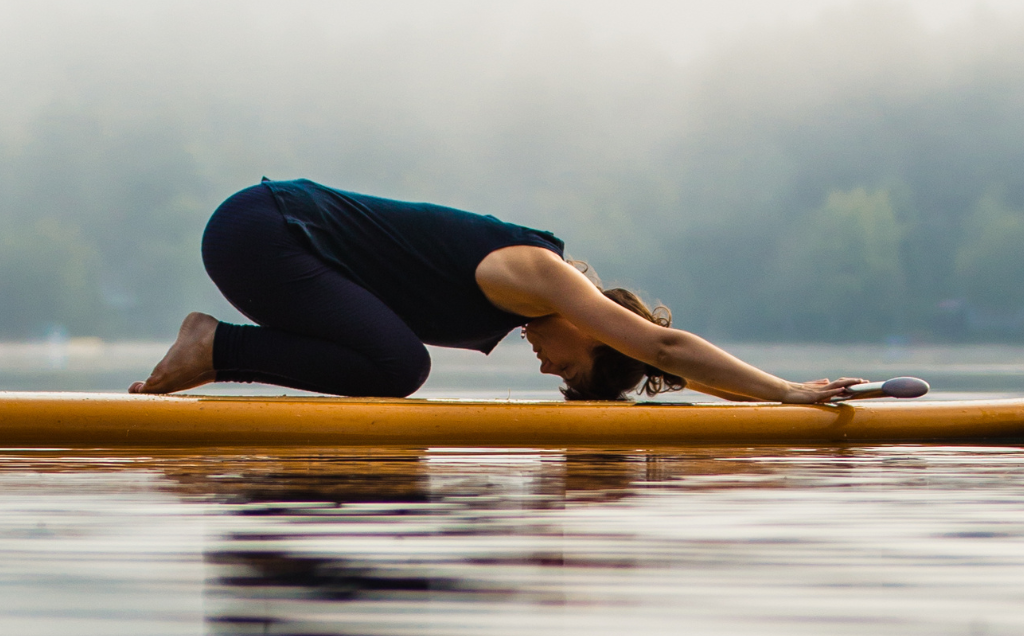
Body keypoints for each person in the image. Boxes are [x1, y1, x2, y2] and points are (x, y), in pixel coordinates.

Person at [130, 177, 861, 405]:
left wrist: (758, 404)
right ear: (597, 330)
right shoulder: (545, 277)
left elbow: (668, 366)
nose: (546, 368)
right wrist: (789, 393)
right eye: (570, 367)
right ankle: (216, 346)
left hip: (266, 241)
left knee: (390, 361)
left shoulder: (542, 299)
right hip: (262, 232)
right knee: (398, 368)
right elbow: (665, 345)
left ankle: (220, 347)